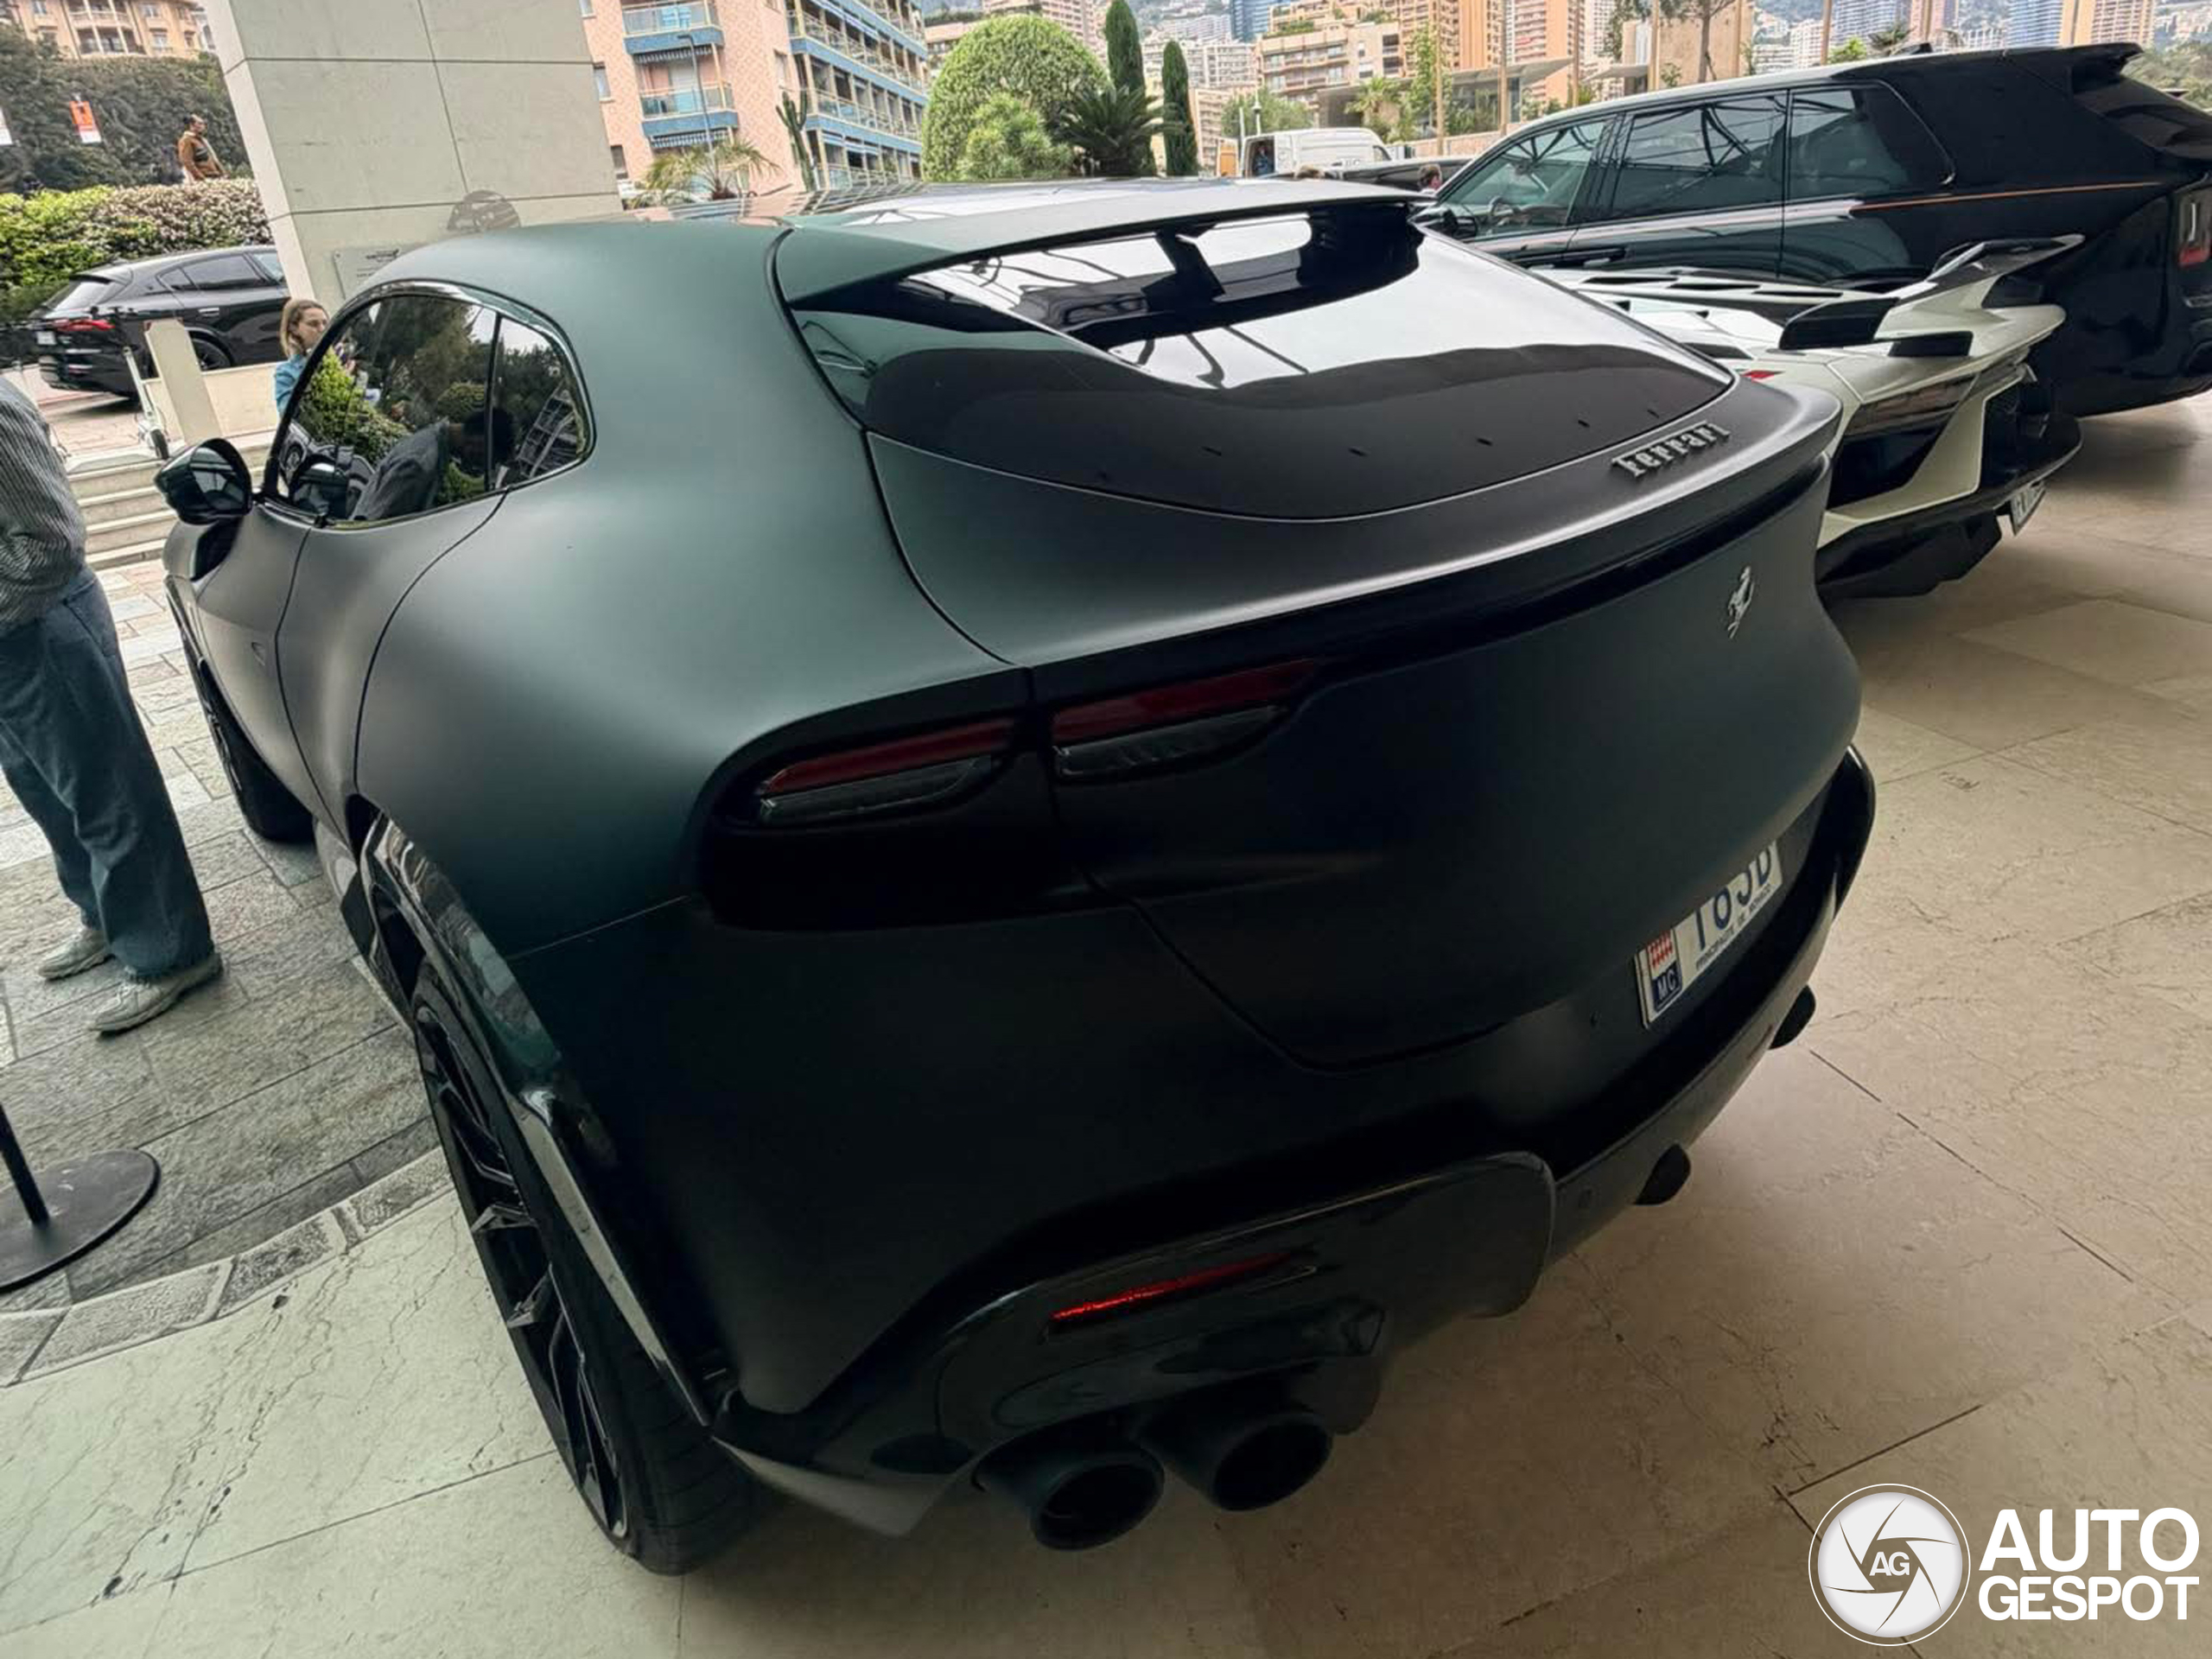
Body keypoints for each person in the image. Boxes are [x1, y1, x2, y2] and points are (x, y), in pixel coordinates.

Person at [0, 380, 220, 1033]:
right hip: (13, 637)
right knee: (46, 794)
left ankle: (171, 953)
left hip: (38, 624)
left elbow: (49, 544)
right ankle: (107, 916)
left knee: (107, 792)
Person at [271, 298, 328, 414]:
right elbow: (289, 414)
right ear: (294, 328)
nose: (322, 329)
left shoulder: (342, 358)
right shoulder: (286, 372)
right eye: (313, 324)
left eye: (325, 323)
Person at [176, 114, 223, 181]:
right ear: (191, 125)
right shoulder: (186, 140)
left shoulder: (201, 140)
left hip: (214, 176)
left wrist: (222, 173)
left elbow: (214, 159)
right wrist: (202, 178)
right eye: (200, 124)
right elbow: (187, 162)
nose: (203, 126)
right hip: (205, 178)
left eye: (203, 124)